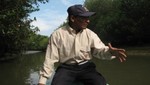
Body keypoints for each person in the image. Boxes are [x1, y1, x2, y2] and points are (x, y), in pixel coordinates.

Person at [38, 4, 127, 85]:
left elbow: (99, 51)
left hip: (86, 67)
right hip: (66, 68)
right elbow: (50, 59)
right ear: (73, 18)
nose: (88, 21)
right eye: (84, 18)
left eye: (88, 18)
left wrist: (110, 52)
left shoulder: (90, 34)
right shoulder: (57, 35)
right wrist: (42, 81)